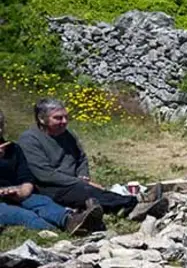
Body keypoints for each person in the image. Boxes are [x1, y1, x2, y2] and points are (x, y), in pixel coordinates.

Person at [17, 98, 165, 221]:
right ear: (42, 119)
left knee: (89, 190)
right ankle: (135, 203)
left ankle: (131, 204)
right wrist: (81, 182)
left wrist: (83, 176)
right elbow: (45, 174)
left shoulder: (67, 135)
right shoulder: (30, 140)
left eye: (66, 117)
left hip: (75, 182)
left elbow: (81, 158)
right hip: (52, 187)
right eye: (58, 118)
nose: (64, 121)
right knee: (86, 191)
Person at [0, 110, 103, 234]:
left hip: (16, 194)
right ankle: (51, 231)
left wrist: (23, 191)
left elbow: (26, 176)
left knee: (42, 202)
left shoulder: (13, 149)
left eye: (0, 126)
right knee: (24, 215)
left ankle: (71, 220)